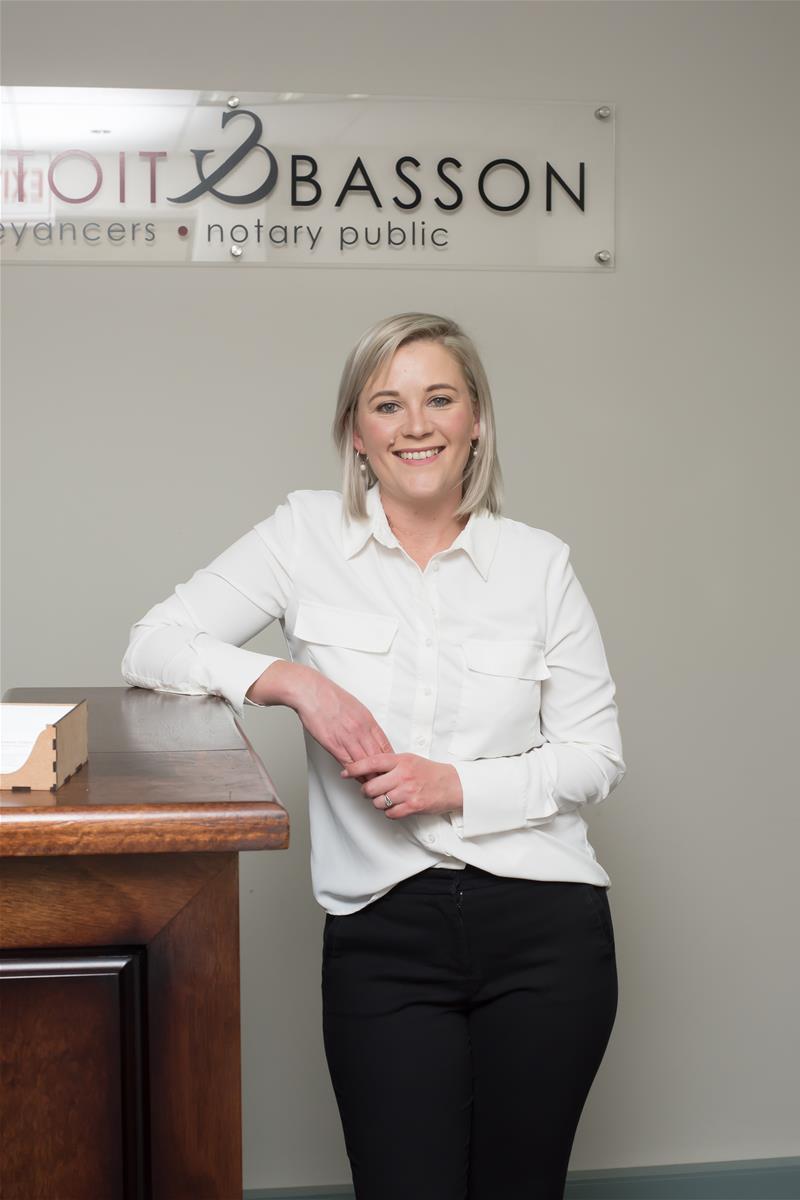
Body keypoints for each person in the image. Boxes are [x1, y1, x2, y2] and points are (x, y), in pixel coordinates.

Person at [121, 312, 626, 1200]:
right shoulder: (302, 535)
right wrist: (293, 682)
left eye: (441, 399)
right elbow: (152, 644)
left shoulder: (539, 566)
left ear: (477, 420)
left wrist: (454, 785)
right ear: (356, 432)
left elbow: (595, 757)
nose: (415, 425)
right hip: (383, 934)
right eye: (387, 404)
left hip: (546, 931)